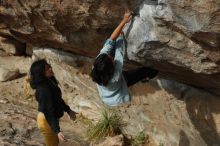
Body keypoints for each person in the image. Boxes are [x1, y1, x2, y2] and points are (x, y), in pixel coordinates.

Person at [91, 11, 158, 106]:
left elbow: (110, 41)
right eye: (111, 60)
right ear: (111, 69)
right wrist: (121, 37)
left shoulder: (96, 67)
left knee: (110, 43)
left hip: (106, 94)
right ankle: (147, 77)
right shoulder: (116, 75)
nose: (110, 56)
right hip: (119, 92)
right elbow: (119, 52)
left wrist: (124, 21)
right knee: (146, 71)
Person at [30, 59, 77, 146]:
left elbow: (58, 99)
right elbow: (49, 111)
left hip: (49, 119)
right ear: (41, 73)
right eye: (47, 68)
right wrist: (57, 130)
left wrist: (68, 110)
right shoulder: (43, 89)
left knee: (54, 143)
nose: (50, 69)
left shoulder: (49, 82)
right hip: (46, 120)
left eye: (49, 66)